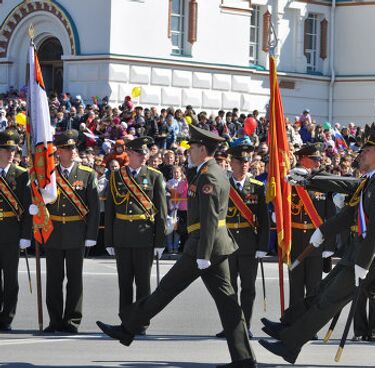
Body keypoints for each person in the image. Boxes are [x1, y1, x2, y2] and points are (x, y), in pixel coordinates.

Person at [259, 123, 375, 368]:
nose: (361, 154)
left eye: (366, 150)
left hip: (370, 260)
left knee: (328, 300)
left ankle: (290, 342)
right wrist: (322, 229)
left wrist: (363, 264)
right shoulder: (372, 181)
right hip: (362, 255)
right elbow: (348, 209)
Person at [97, 124, 256, 368]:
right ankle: (244, 359)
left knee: (166, 290)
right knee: (228, 304)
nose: (188, 151)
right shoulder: (208, 171)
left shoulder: (209, 175)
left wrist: (203, 254)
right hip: (212, 246)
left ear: (202, 149)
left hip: (204, 247)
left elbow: (211, 218)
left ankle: (127, 329)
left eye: (192, 147)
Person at [104, 136, 167, 334]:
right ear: (129, 155)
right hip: (122, 235)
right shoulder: (116, 176)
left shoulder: (155, 176)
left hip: (144, 236)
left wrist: (159, 240)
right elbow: (110, 210)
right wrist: (109, 239)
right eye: (139, 153)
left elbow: (161, 210)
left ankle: (141, 322)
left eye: (145, 153)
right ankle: (125, 321)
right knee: (124, 282)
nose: (144, 156)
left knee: (143, 283)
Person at [44, 130, 100, 334]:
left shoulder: (87, 173)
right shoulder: (49, 175)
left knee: (75, 280)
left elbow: (93, 208)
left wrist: (91, 235)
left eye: (72, 147)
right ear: (58, 151)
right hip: (54, 231)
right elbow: (42, 204)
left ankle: (72, 321)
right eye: (66, 148)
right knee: (53, 280)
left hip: (77, 231)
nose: (71, 150)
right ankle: (55, 320)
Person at [216, 137, 269, 338]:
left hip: (248, 243)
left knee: (248, 288)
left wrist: (262, 245)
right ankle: (231, 325)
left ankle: (245, 325)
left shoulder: (257, 186)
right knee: (228, 288)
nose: (245, 165)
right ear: (232, 163)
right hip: (227, 242)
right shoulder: (223, 185)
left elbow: (263, 219)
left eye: (247, 162)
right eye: (241, 162)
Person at [288, 143, 336, 333]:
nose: (318, 162)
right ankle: (293, 322)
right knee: (296, 285)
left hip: (316, 241)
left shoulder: (322, 181)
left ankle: (310, 327)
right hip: (295, 239)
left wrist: (329, 244)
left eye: (318, 159)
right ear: (302, 159)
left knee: (314, 288)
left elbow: (331, 214)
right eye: (314, 159)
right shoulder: (291, 180)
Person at [0, 130, 31, 331]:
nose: (11, 153)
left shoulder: (21, 175)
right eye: (6, 149)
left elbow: (28, 208)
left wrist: (25, 235)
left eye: (13, 150)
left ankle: (7, 318)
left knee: (11, 278)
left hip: (11, 231)